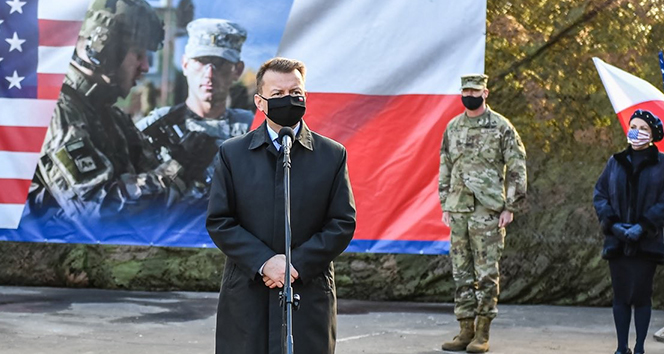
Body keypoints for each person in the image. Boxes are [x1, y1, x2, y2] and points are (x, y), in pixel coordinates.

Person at [206, 57, 356, 354]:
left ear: (305, 97)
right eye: (278, 95)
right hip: (249, 293)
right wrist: (265, 262)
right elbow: (220, 221)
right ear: (260, 102)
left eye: (295, 93)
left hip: (307, 290)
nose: (288, 100)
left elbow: (341, 223)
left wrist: (294, 265)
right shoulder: (233, 154)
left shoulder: (331, 155)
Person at [32, 0, 192, 220]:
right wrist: (178, 170)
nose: (145, 66)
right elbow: (98, 208)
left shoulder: (108, 113)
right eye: (138, 54)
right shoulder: (55, 110)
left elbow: (152, 180)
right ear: (105, 50)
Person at [438, 74, 527, 353]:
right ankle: (465, 329)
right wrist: (445, 203)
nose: (470, 94)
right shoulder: (453, 127)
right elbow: (445, 165)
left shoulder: (501, 127)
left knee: (486, 272)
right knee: (461, 271)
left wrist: (510, 206)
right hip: (459, 208)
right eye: (465, 90)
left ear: (485, 92)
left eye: (474, 90)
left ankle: (483, 332)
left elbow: (517, 166)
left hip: (488, 209)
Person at [136, 18, 253, 199]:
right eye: (201, 61)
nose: (209, 74)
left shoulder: (254, 130)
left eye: (219, 63)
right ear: (185, 65)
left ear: (237, 70)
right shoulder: (156, 127)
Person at [594, 109, 664, 354]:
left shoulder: (662, 162)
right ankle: (621, 347)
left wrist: (643, 226)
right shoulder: (615, 162)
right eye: (634, 126)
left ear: (653, 134)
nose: (637, 132)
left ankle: (640, 347)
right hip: (618, 241)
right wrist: (612, 224)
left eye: (644, 128)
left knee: (642, 296)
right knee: (621, 296)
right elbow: (600, 194)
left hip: (647, 242)